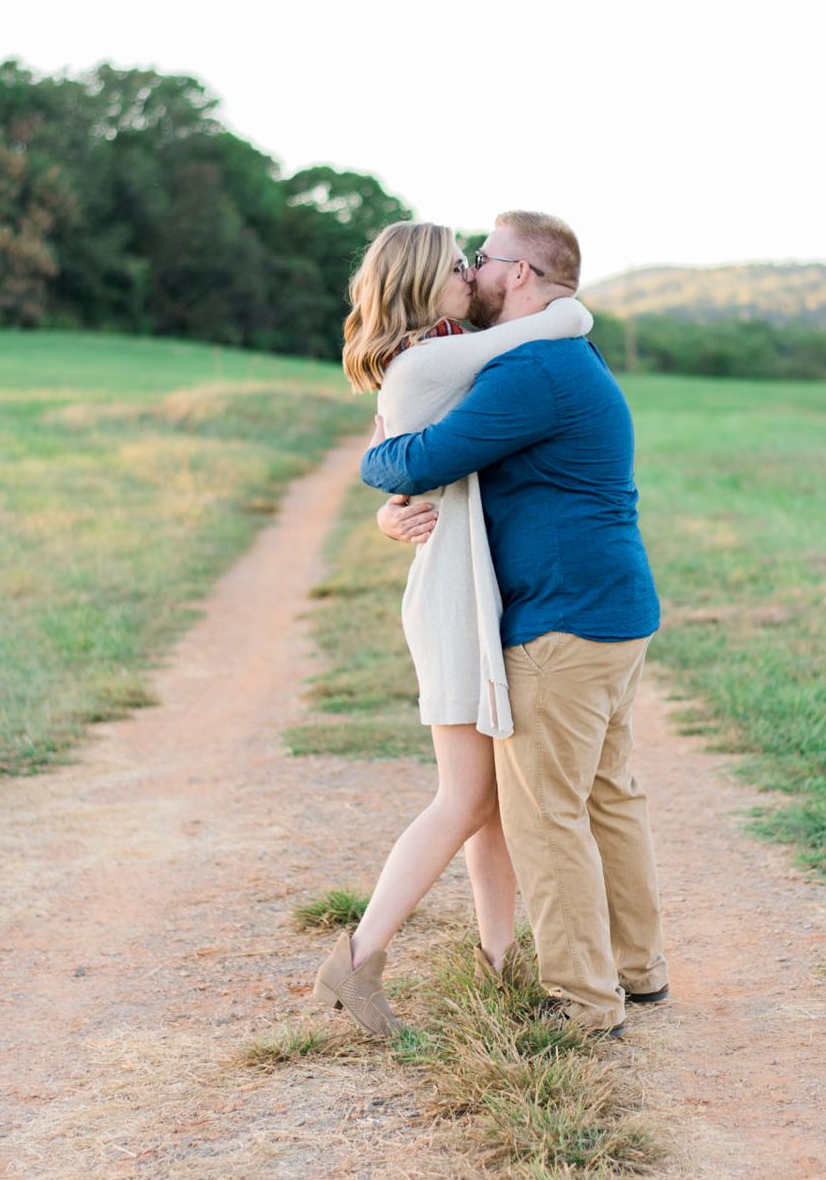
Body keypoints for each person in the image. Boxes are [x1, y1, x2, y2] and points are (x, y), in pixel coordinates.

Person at [363, 211, 667, 1037]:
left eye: (486, 259)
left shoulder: (532, 368)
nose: (477, 272)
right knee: (609, 796)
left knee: (545, 813)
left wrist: (374, 462)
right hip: (613, 608)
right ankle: (637, 970)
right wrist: (393, 516)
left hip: (561, 621)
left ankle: (583, 1000)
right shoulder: (569, 355)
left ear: (521, 275)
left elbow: (418, 459)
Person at [311, 220, 595, 1037]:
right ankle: (358, 960)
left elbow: (391, 458)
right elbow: (563, 321)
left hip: (466, 587)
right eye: (460, 266)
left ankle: (500, 960)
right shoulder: (434, 361)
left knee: (494, 803)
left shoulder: (427, 357)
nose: (473, 274)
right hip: (451, 598)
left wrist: (386, 511)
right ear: (425, 282)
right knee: (466, 796)